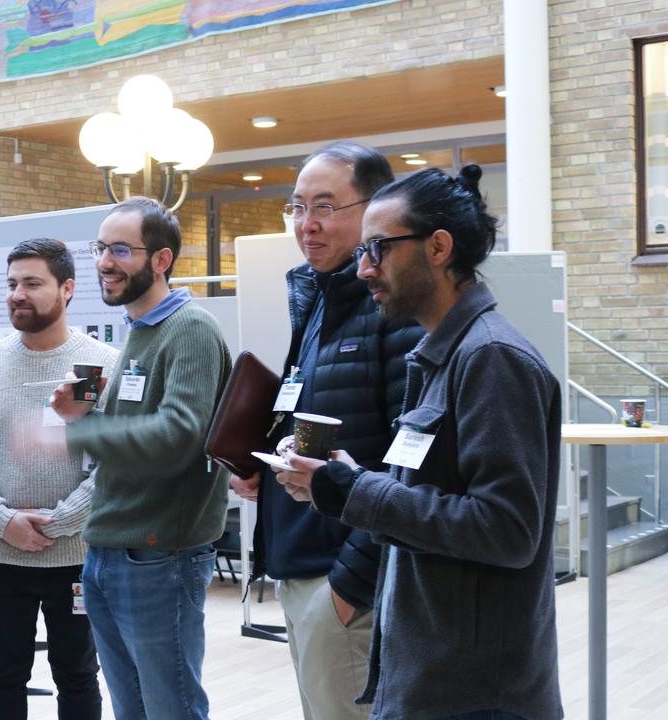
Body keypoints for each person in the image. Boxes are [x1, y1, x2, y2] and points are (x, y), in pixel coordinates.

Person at [277, 165, 563, 719]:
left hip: (475, 694)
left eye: (378, 250)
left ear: (438, 248)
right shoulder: (443, 354)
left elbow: (506, 530)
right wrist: (347, 480)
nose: (363, 268)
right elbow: (433, 494)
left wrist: (356, 491)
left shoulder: (491, 357)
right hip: (434, 673)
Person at [235, 141, 422, 720]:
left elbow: (409, 463)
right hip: (301, 563)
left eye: (324, 206)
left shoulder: (394, 310)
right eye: (297, 207)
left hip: (346, 577)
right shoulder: (320, 297)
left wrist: (350, 587)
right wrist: (264, 463)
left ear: (375, 211)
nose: (306, 224)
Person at [49, 197, 231, 720]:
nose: (105, 262)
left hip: (158, 556)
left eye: (121, 250)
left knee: (171, 708)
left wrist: (83, 431)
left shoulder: (191, 329)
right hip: (110, 550)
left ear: (161, 259)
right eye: (100, 248)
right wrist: (81, 417)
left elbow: (177, 436)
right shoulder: (141, 331)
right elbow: (135, 435)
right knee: (132, 710)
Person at [0, 238, 116, 720]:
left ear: (67, 289)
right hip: (0, 555)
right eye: (11, 284)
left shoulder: (102, 364)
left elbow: (113, 461)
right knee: (3, 673)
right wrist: (3, 520)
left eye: (32, 283)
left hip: (78, 556)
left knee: (78, 673)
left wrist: (60, 522)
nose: (17, 294)